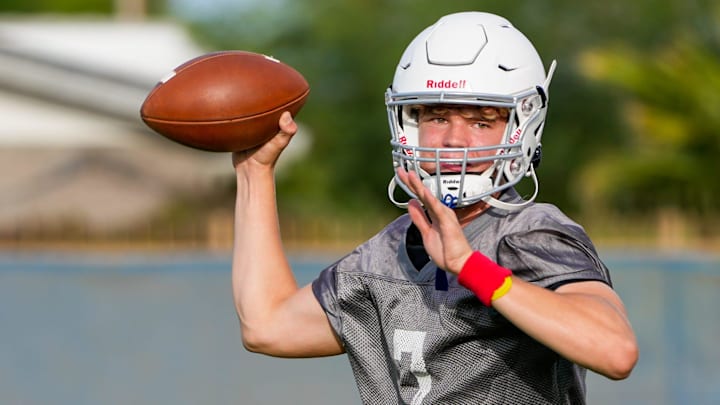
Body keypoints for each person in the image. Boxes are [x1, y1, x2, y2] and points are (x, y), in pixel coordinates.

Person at [230, 11, 638, 404]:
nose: (455, 140)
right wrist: (254, 173)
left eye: (482, 121)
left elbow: (614, 350)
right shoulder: (387, 252)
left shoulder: (529, 232)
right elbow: (267, 325)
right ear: (408, 126)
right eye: (438, 117)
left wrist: (470, 266)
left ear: (523, 127)